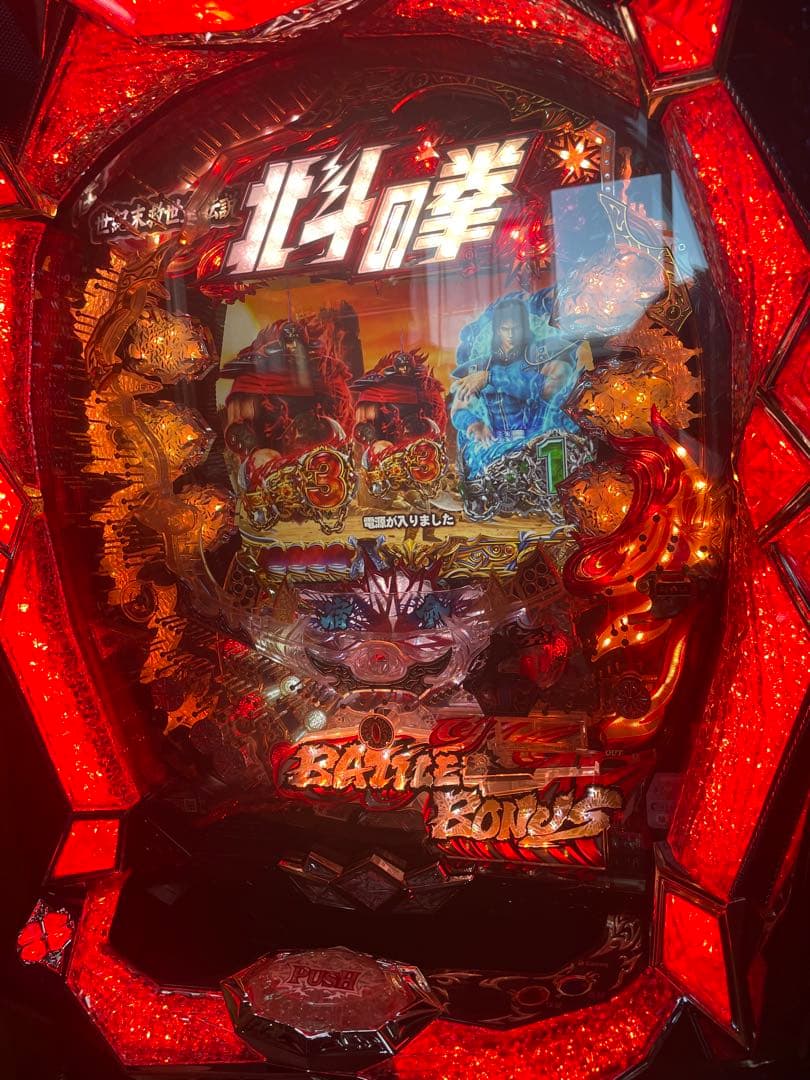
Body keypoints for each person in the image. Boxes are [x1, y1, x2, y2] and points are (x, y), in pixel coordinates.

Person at [450, 297, 576, 477]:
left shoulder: (542, 355)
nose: (510, 335)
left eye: (515, 329)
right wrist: (473, 423)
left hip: (537, 444)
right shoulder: (481, 366)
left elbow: (552, 385)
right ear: (497, 330)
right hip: (494, 448)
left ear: (524, 327)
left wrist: (491, 378)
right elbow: (458, 409)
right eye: (505, 329)